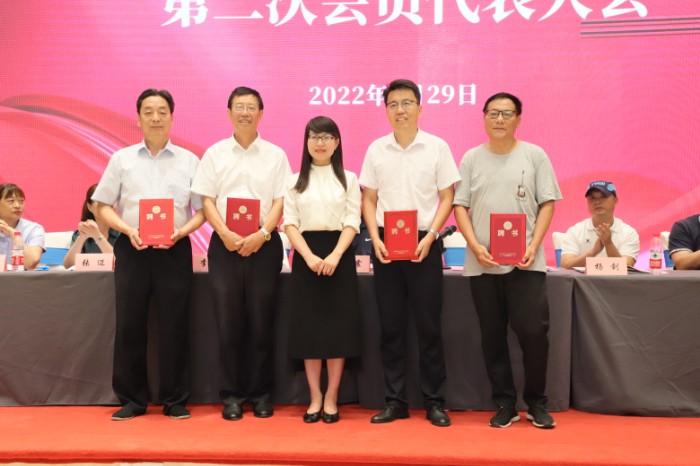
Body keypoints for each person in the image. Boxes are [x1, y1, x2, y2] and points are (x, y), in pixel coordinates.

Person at [92, 88, 204, 421]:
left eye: (162, 112)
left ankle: (175, 399)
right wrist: (127, 230)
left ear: (172, 117)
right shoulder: (121, 159)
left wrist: (182, 232)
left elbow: (202, 210)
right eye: (149, 112)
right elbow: (102, 205)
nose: (155, 118)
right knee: (130, 324)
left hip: (174, 248)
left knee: (175, 324)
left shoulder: (189, 160)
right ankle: (132, 399)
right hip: (133, 247)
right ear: (139, 118)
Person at [453, 92, 562, 429]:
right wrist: (474, 246)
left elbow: (548, 202)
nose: (499, 119)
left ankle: (537, 403)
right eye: (493, 113)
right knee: (492, 337)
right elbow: (460, 206)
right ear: (484, 117)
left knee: (533, 334)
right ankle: (504, 404)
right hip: (483, 264)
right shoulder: (471, 158)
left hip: (526, 263)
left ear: (518, 119)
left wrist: (534, 244)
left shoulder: (535, 155)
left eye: (507, 113)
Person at [359, 79, 459, 428]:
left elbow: (447, 196)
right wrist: (375, 239)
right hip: (386, 245)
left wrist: (431, 235)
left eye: (406, 103)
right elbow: (369, 199)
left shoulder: (437, 147)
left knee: (428, 327)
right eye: (393, 104)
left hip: (424, 243)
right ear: (386, 110)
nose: (400, 110)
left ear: (419, 107)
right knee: (391, 327)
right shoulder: (376, 149)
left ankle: (434, 401)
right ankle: (395, 401)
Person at [191, 86, 291, 421]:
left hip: (264, 243)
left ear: (261, 113)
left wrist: (262, 234)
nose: (245, 113)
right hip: (225, 245)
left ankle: (261, 394)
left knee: (262, 323)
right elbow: (206, 199)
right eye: (239, 107)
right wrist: (225, 233)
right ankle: (231, 395)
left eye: (251, 107)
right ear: (229, 112)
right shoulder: (214, 154)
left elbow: (280, 200)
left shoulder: (276, 155)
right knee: (228, 322)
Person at [282, 116, 362, 424]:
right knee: (309, 330)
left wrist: (335, 255)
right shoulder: (294, 181)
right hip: (306, 257)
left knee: (337, 330)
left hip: (339, 256)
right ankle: (315, 396)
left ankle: (332, 397)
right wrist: (309, 257)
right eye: (314, 137)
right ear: (306, 142)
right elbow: (290, 223)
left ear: (337, 143)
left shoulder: (349, 179)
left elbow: (352, 220)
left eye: (327, 137)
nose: (320, 143)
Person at [559, 181, 639, 269]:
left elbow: (627, 267)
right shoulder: (575, 231)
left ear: (615, 200)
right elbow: (565, 265)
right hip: (584, 279)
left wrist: (608, 244)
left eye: (603, 196)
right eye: (592, 198)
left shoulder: (628, 233)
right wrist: (593, 252)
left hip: (615, 279)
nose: (597, 202)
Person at [63, 184, 120, 268]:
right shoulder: (80, 233)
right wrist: (81, 237)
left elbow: (120, 264)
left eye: (109, 201)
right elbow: (68, 266)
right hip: (88, 277)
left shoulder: (122, 234)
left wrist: (98, 237)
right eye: (100, 201)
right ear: (89, 206)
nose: (105, 206)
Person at [0, 183, 44, 270]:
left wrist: (14, 234)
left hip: (20, 277)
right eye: (11, 201)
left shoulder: (34, 229)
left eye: (21, 201)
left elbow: (31, 263)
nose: (18, 206)